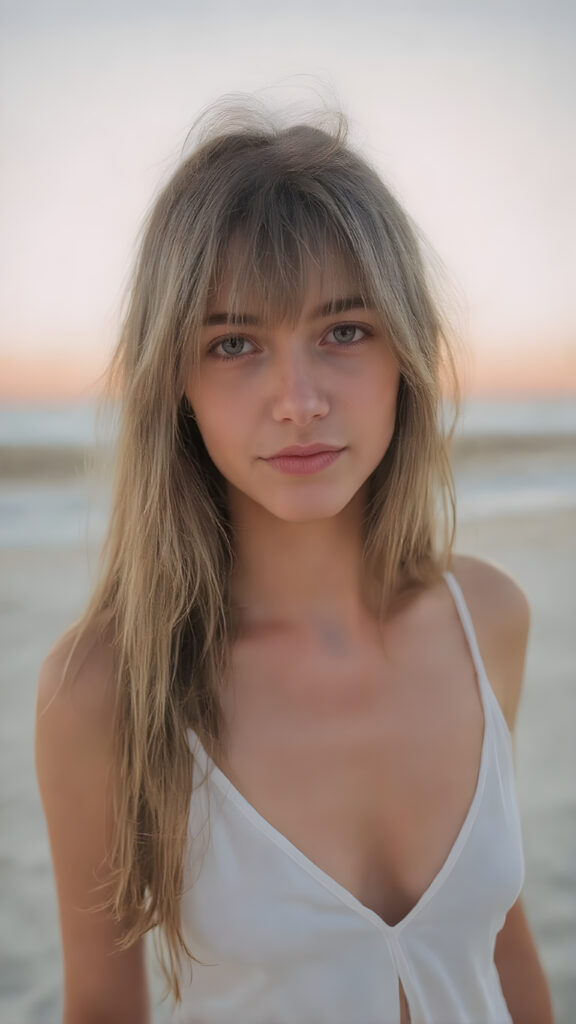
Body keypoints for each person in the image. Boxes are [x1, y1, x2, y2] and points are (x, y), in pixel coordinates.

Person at [35, 98, 553, 1024]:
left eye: (344, 330)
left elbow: (499, 944)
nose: (299, 399)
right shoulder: (107, 689)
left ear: (406, 351)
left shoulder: (490, 621)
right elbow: (104, 1010)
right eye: (234, 344)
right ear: (177, 385)